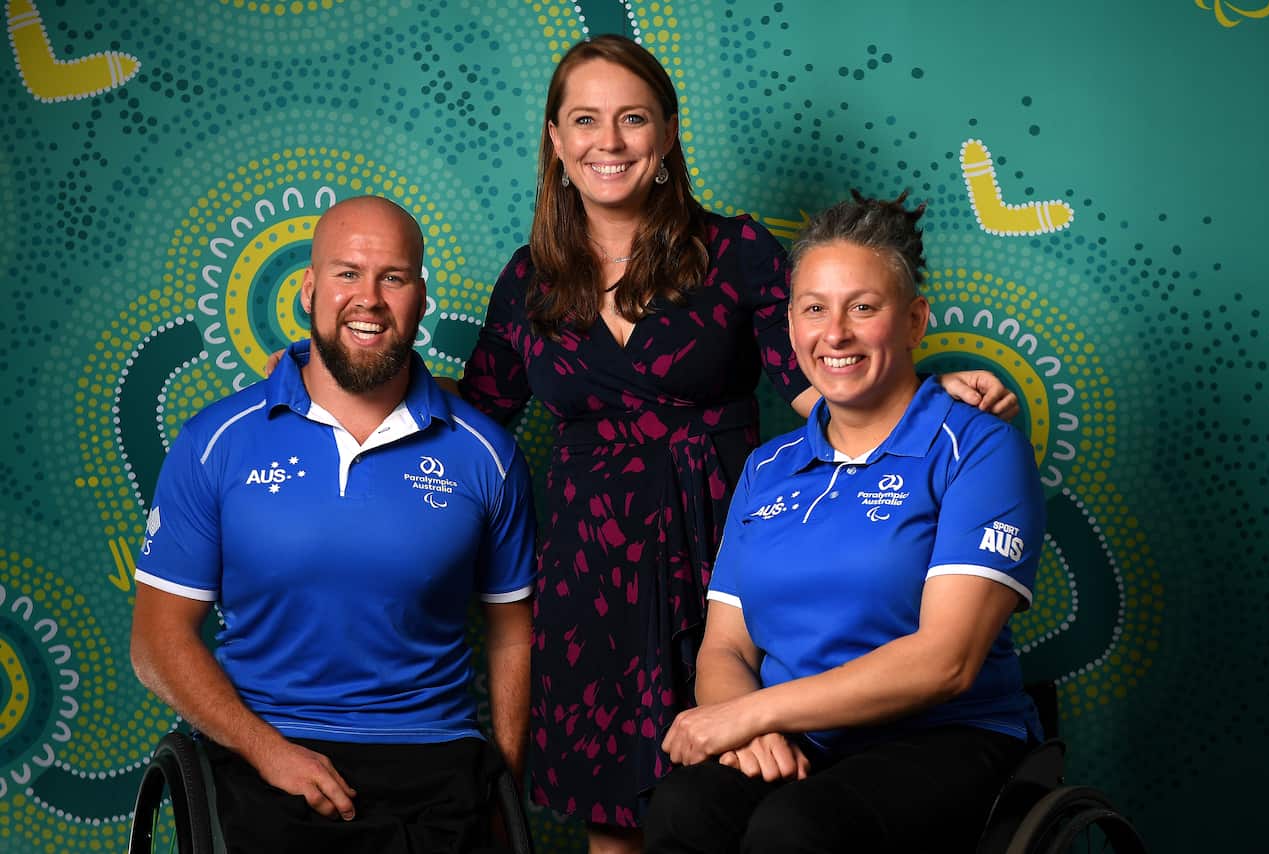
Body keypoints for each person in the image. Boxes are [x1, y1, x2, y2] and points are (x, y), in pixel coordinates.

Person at [453, 35, 1022, 854]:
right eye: (584, 119)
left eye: (632, 119)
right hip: (591, 569)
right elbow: (475, 413)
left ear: (668, 133)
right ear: (555, 138)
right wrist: (348, 383)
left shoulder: (734, 252)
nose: (608, 141)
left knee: (740, 787)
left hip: (713, 539)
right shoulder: (528, 278)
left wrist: (936, 401)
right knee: (620, 817)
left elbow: (829, 379)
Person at [130, 196, 537, 854]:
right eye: (348, 273)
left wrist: (505, 784)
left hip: (434, 757)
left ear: (420, 299)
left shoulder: (486, 454)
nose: (368, 298)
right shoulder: (216, 441)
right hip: (266, 751)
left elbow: (512, 635)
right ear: (308, 289)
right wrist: (268, 751)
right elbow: (157, 639)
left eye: (393, 278)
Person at [646, 193, 1047, 854]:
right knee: (684, 809)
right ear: (791, 325)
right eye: (814, 309)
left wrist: (750, 714)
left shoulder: (979, 449)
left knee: (796, 828)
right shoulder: (767, 468)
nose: (834, 334)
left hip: (946, 737)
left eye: (863, 308)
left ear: (914, 321)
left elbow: (946, 661)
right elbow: (725, 649)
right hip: (799, 736)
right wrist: (754, 731)